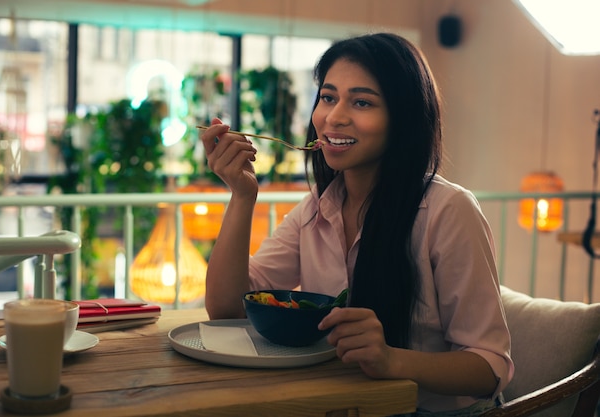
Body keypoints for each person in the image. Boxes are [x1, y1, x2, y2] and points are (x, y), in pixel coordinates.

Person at [198, 32, 513, 416]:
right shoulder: (316, 210)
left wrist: (391, 359)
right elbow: (228, 310)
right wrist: (242, 195)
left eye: (362, 102)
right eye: (328, 97)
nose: (334, 117)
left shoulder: (448, 211)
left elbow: (489, 367)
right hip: (349, 406)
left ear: (403, 119)